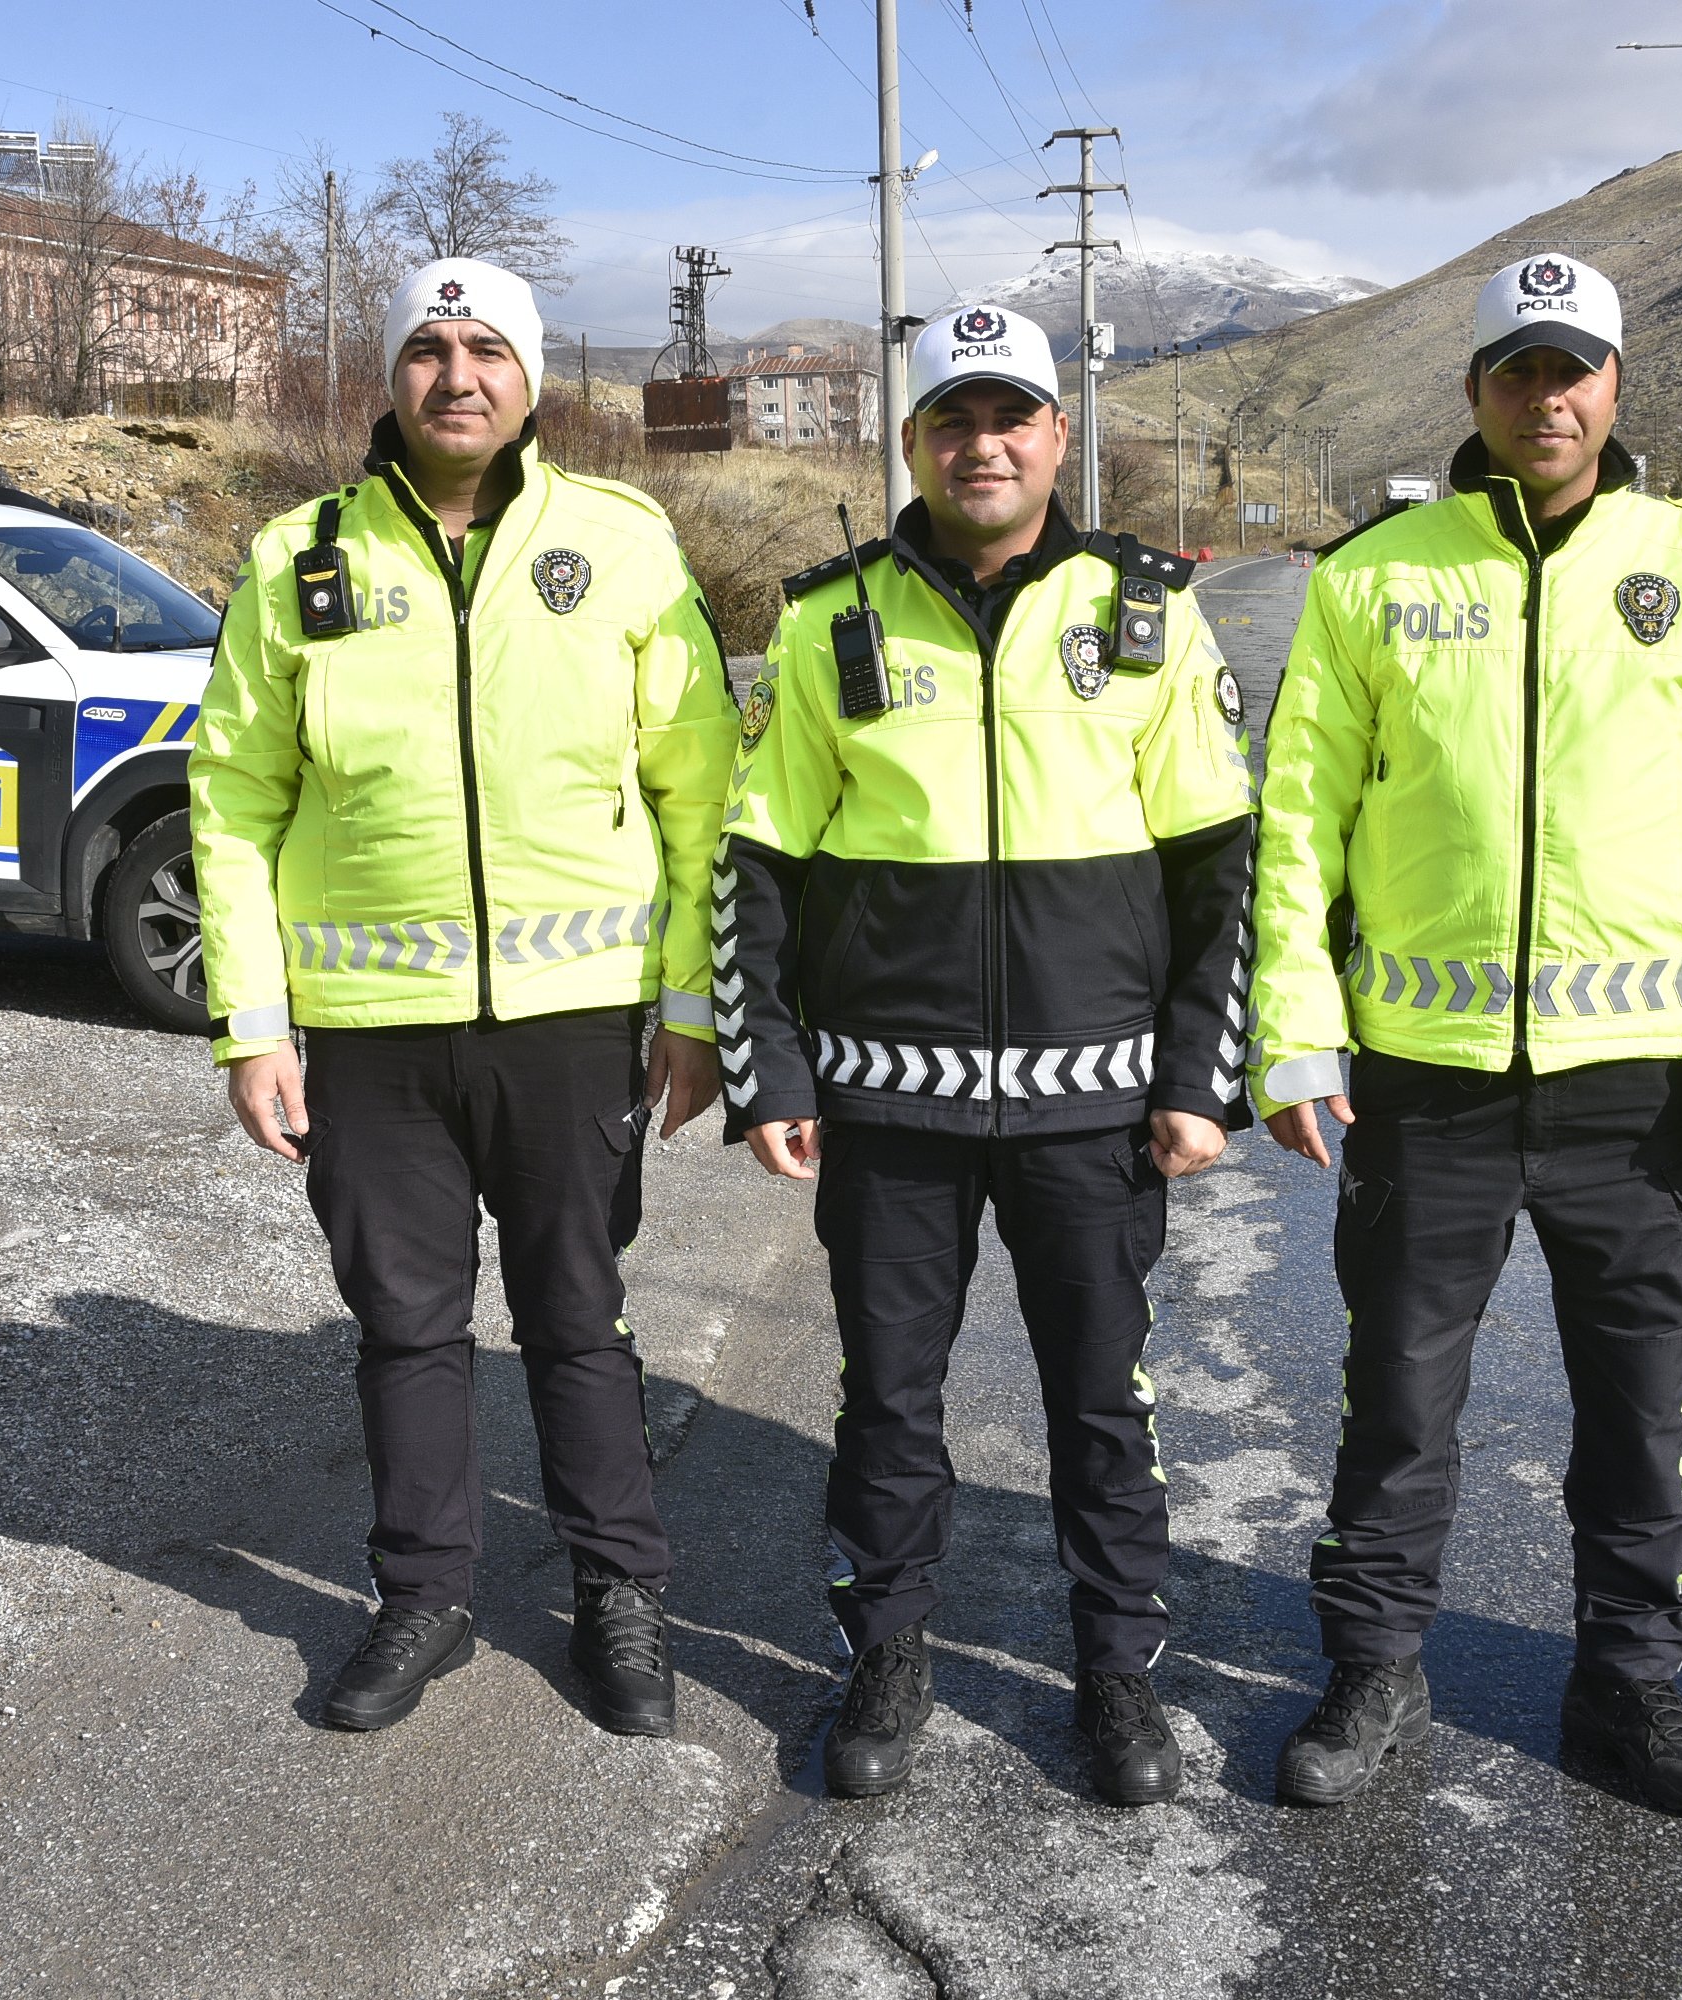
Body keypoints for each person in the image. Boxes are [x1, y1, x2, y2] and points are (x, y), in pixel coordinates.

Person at [1247, 254, 1682, 1817]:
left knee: (1639, 1413)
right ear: (1476, 392)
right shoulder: (1373, 576)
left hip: (1638, 1096)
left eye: (1573, 367)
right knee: (1398, 1401)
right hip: (1425, 1089)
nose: (1546, 395)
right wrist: (1296, 1032)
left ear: (1618, 386)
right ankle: (1374, 1667)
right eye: (1518, 369)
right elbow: (1298, 819)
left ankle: (1629, 1686)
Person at [714, 305, 1256, 1805]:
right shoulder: (830, 622)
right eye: (954, 418)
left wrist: (1202, 1077)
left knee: (1102, 1401)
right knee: (889, 1401)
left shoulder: (1149, 609)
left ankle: (1116, 1674)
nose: (985, 443)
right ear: (914, 442)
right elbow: (756, 861)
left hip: (1095, 1119)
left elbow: (1223, 869)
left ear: (1058, 436)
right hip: (893, 1114)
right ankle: (885, 1654)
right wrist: (770, 1069)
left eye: (1011, 413)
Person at [190, 257, 738, 1739]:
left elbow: (701, 793)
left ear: (532, 376)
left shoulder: (620, 544)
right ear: (392, 377)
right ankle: (423, 1599)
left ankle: (620, 1595)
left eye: (487, 349)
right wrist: (254, 1024)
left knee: (579, 1320)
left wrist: (692, 1008)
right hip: (375, 1037)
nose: (457, 376)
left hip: (575, 1019)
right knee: (407, 1331)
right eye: (428, 350)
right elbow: (234, 799)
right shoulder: (297, 559)